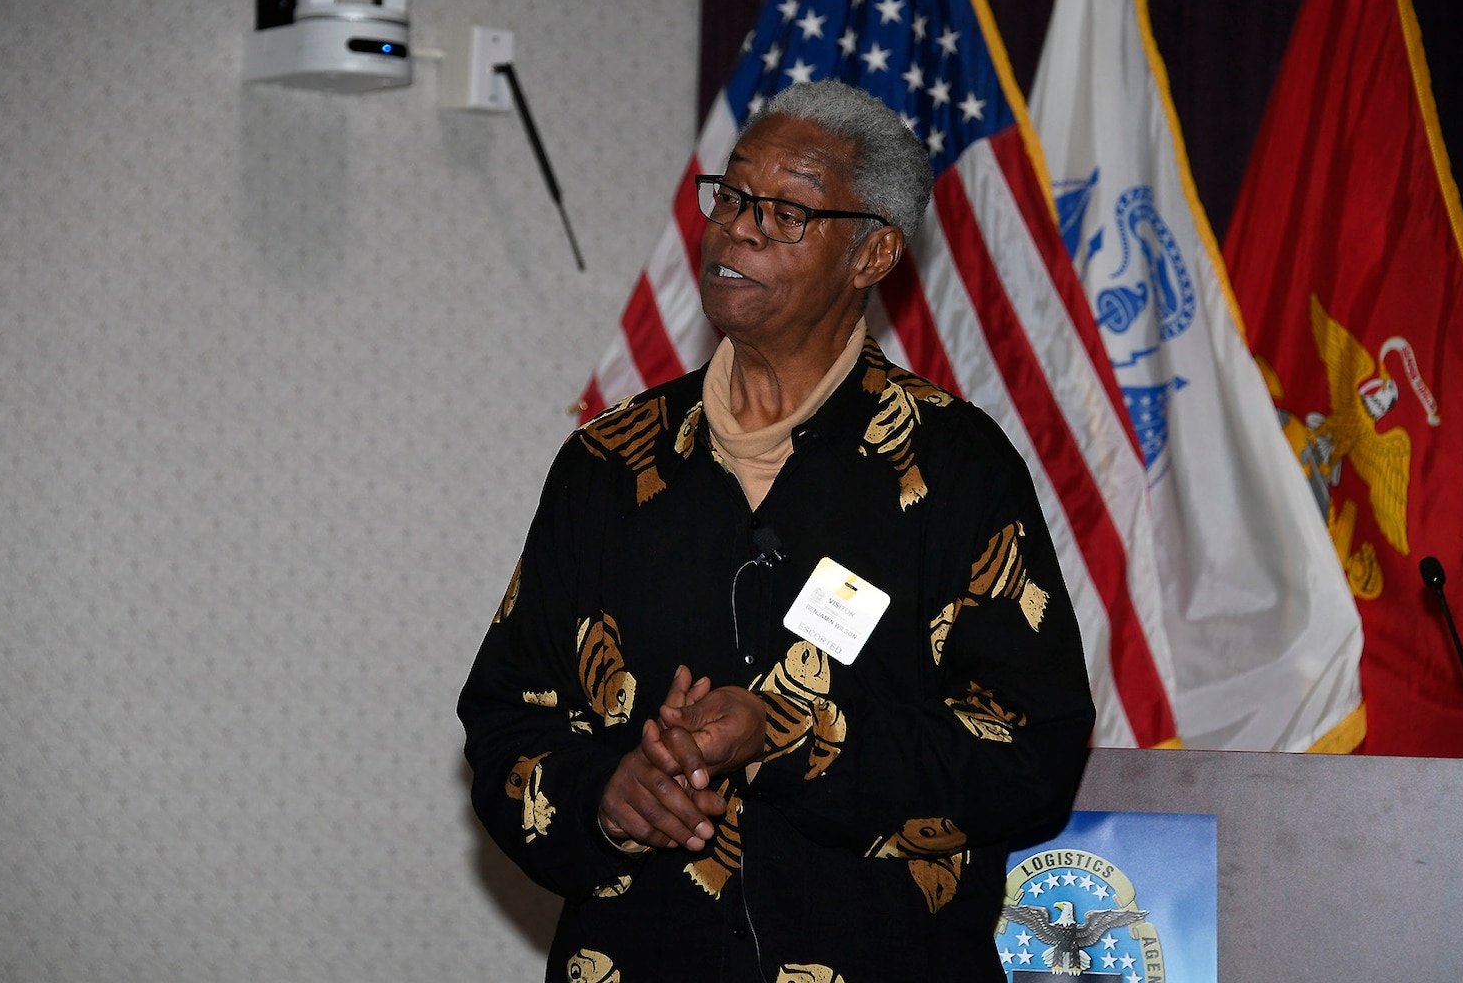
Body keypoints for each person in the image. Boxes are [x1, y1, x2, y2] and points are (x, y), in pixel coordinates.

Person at [458, 80, 1095, 983]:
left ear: (873, 252)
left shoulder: (954, 464)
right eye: (732, 194)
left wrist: (789, 733)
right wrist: (605, 795)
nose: (739, 228)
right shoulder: (607, 463)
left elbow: (1031, 752)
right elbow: (504, 723)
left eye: (789, 209)